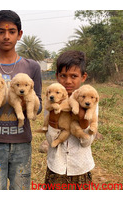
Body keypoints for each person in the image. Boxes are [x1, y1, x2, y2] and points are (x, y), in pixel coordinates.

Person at [0, 10, 42, 190]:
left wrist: (27, 101)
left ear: (20, 34)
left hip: (22, 143)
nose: (6, 36)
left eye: (12, 31)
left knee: (20, 189)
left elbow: (39, 103)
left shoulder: (31, 67)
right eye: (1, 32)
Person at [44, 50, 96, 190]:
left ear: (83, 77)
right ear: (57, 76)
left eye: (74, 76)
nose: (68, 81)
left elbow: (87, 142)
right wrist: (54, 118)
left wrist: (82, 119)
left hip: (81, 168)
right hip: (56, 169)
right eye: (63, 76)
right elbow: (50, 140)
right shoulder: (51, 100)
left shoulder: (90, 101)